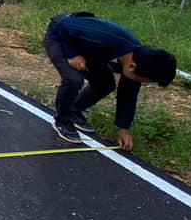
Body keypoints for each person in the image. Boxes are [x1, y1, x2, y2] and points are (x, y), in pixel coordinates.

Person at [44, 13, 176, 151]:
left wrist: (124, 129)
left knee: (105, 84)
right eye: (139, 80)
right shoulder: (105, 37)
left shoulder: (138, 61)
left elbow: (128, 96)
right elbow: (64, 24)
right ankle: (62, 120)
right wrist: (72, 54)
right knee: (73, 80)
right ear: (132, 67)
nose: (137, 83)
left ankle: (74, 111)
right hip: (60, 36)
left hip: (90, 51)